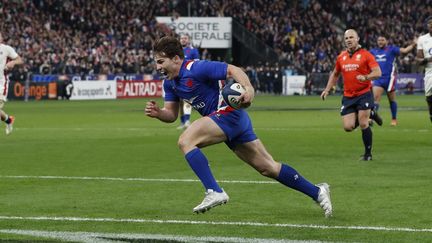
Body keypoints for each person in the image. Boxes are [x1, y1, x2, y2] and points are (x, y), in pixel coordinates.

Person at [145, 36, 332, 217]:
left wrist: (249, 89)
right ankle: (317, 192)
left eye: (161, 61)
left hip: (228, 114)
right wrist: (159, 113)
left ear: (176, 58)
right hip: (229, 121)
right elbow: (171, 114)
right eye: (156, 62)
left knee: (186, 140)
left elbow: (233, 70)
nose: (158, 67)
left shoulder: (196, 67)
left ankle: (214, 191)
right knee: (268, 168)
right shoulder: (170, 84)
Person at [321, 29, 382, 161]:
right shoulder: (341, 57)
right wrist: (327, 90)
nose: (348, 40)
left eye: (351, 37)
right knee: (348, 127)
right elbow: (335, 74)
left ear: (357, 39)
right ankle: (371, 113)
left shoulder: (366, 55)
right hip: (348, 96)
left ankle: (368, 154)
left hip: (364, 94)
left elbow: (378, 72)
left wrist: (366, 77)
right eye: (346, 38)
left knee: (363, 123)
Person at [370, 34, 417, 126]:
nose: (380, 42)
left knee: (391, 100)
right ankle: (372, 118)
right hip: (378, 79)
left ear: (386, 41)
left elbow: (404, 51)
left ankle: (394, 118)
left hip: (389, 79)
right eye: (379, 40)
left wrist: (413, 45)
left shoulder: (392, 49)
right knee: (375, 99)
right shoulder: (373, 51)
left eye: (382, 40)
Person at [0, 32, 23, 135]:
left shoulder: (6, 49)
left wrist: (12, 62)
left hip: (1, 84)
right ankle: (9, 120)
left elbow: (20, 60)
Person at [176, 34, 200, 130]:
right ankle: (182, 122)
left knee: (187, 99)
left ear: (189, 40)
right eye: (181, 38)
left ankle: (187, 121)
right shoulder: (177, 51)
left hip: (188, 78)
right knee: (180, 102)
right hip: (177, 78)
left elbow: (196, 64)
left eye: (185, 38)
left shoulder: (193, 50)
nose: (183, 40)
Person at [415, 16, 432, 123]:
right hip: (429, 73)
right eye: (430, 23)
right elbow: (418, 60)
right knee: (429, 99)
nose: (431, 25)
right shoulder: (422, 39)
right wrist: (428, 59)